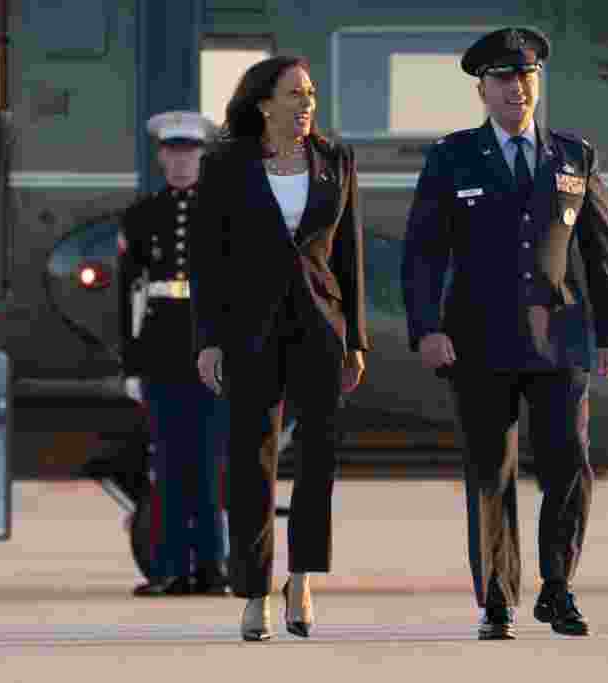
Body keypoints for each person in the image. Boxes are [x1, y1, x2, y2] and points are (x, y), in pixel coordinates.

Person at [401, 27, 608, 640]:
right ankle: (497, 599)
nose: (517, 88)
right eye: (504, 79)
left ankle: (558, 589)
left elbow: (602, 252)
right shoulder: (451, 157)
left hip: (560, 341)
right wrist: (426, 327)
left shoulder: (574, 157)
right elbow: (423, 251)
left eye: (526, 76)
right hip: (478, 341)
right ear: (482, 89)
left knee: (569, 467)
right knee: (489, 473)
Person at [189, 56, 369, 641]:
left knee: (318, 461)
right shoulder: (225, 165)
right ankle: (253, 591)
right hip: (249, 331)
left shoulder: (336, 161)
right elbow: (207, 263)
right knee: (252, 463)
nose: (307, 102)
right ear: (265, 103)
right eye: (296, 93)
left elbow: (350, 258)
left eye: (311, 92)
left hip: (321, 329)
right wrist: (209, 340)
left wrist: (356, 340)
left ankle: (302, 580)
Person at [117, 110, 231, 597]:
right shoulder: (143, 215)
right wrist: (131, 363)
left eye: (191, 151)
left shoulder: (227, 212)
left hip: (212, 349)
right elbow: (128, 294)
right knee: (167, 466)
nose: (182, 160)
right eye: (174, 151)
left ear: (202, 156)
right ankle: (167, 568)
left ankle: (211, 567)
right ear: (162, 156)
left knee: (210, 464)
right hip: (162, 349)